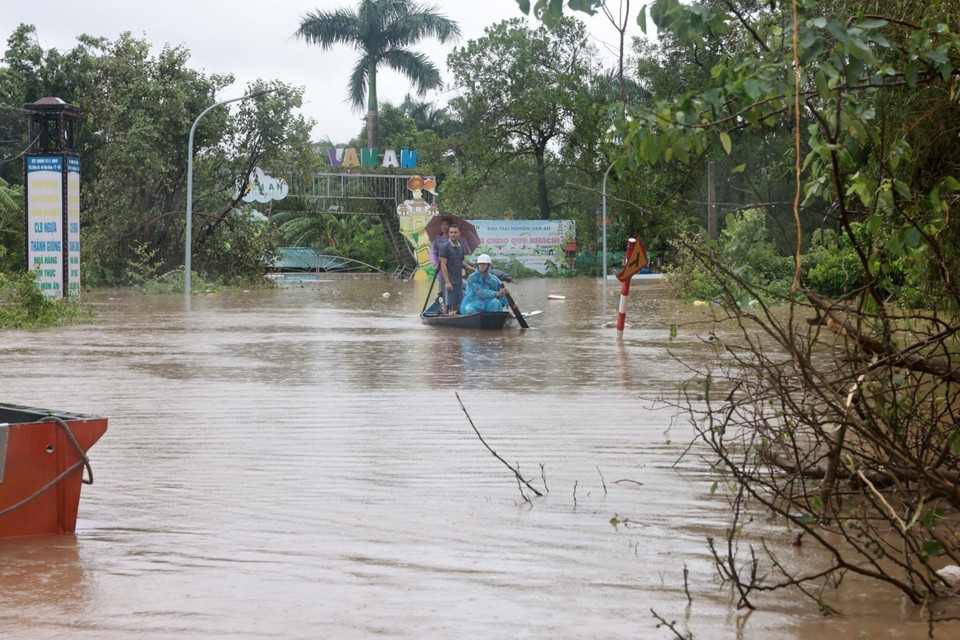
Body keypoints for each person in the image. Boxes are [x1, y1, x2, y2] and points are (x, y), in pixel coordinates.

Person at [439, 223, 467, 315]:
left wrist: (473, 269)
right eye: (451, 232)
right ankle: (444, 320)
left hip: (458, 279)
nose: (453, 234)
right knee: (447, 303)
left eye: (455, 232)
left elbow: (461, 263)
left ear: (459, 234)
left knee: (456, 303)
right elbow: (443, 265)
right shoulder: (445, 247)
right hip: (449, 280)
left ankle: (454, 319)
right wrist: (447, 282)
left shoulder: (460, 247)